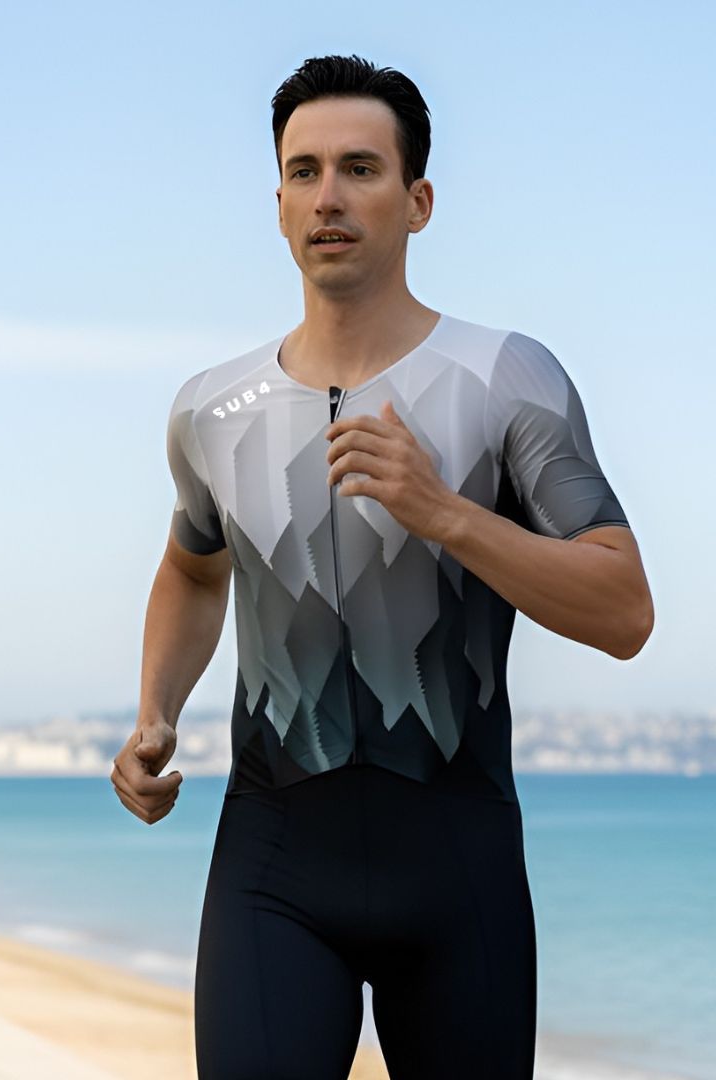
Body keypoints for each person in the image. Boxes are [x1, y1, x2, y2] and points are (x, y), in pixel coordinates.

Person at [110, 53, 654, 1080]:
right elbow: (192, 567)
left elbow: (624, 608)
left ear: (419, 200)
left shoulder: (506, 380)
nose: (330, 196)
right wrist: (155, 714)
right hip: (273, 863)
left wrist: (447, 514)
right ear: (275, 205)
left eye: (361, 168)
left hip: (459, 868)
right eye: (304, 171)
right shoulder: (207, 410)